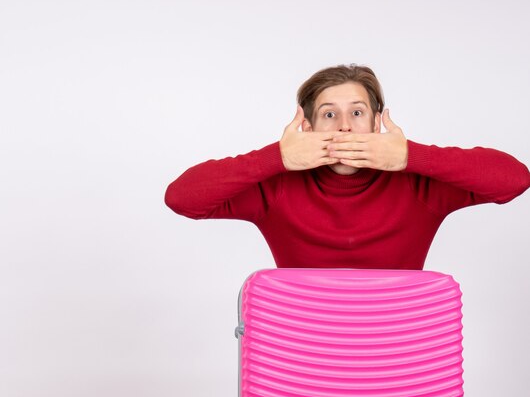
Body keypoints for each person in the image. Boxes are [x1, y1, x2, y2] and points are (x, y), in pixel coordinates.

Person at [164, 64, 530, 269]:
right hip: (301, 357)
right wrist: (276, 157)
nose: (343, 126)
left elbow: (514, 179)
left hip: (398, 354)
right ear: (306, 128)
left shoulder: (419, 185)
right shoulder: (275, 187)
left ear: (376, 123)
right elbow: (182, 198)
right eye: (328, 114)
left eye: (357, 112)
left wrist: (410, 156)